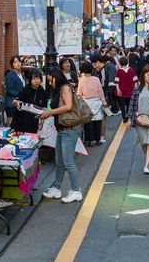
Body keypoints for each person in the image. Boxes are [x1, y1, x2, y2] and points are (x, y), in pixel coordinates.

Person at [40, 69, 84, 204]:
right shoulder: (59, 90)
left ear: (56, 77)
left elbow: (68, 106)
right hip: (62, 131)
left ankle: (76, 190)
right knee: (59, 162)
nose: (49, 83)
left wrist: (50, 112)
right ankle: (57, 188)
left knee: (68, 162)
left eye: (50, 80)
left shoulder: (65, 88)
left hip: (69, 131)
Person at [78, 61, 107, 146]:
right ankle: (98, 139)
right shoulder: (96, 79)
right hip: (97, 101)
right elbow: (100, 91)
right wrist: (103, 100)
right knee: (97, 121)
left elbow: (79, 94)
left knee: (89, 122)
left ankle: (90, 140)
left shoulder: (81, 81)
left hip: (87, 102)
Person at [115, 55, 137, 122]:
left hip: (121, 91)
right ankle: (128, 116)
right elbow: (135, 80)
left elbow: (117, 82)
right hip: (130, 91)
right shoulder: (131, 70)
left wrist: (118, 90)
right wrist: (135, 89)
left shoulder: (119, 71)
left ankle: (124, 117)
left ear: (120, 63)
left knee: (122, 105)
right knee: (128, 104)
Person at [3, 55, 26, 122]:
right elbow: (9, 90)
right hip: (11, 104)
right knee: (13, 126)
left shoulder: (21, 74)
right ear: (12, 64)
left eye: (19, 61)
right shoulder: (10, 75)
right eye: (15, 62)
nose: (18, 63)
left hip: (19, 102)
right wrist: (20, 94)